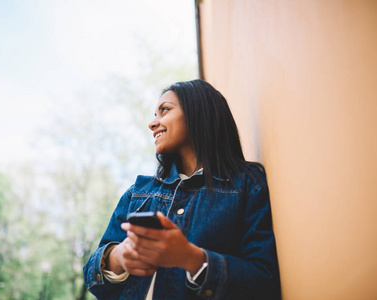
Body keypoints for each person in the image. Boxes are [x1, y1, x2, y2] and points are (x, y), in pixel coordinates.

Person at [83, 79, 280, 299]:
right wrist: (118, 257)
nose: (152, 123)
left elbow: (263, 282)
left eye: (164, 111)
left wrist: (191, 258)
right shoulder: (138, 192)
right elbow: (92, 280)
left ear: (198, 112)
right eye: (155, 115)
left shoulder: (247, 184)